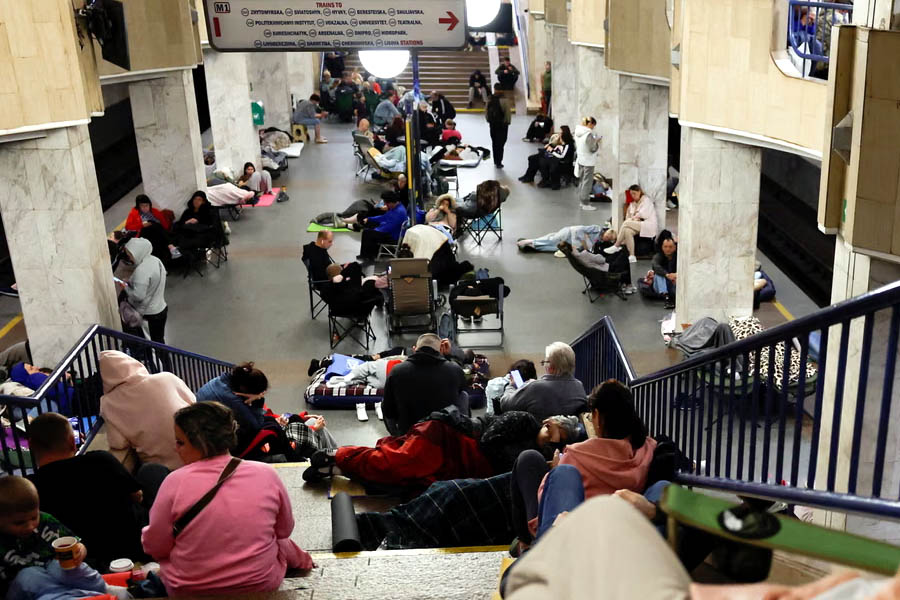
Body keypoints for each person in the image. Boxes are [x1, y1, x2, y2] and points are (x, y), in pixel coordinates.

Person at [142, 402, 314, 596]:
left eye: (180, 442)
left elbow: (155, 546)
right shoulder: (266, 474)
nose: (176, 449)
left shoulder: (172, 482)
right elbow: (284, 529)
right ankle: (308, 564)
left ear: (200, 443)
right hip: (260, 583)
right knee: (277, 540)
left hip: (189, 588)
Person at [509, 380, 656, 549]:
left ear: (597, 416)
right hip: (619, 530)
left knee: (529, 459)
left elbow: (545, 499)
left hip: (569, 533)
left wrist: (556, 471)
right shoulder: (647, 448)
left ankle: (525, 543)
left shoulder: (578, 454)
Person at [303, 409, 581, 491]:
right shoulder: (524, 421)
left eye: (563, 441)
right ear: (550, 422)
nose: (557, 442)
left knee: (403, 478)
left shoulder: (541, 455)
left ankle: (337, 467)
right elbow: (488, 443)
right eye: (559, 434)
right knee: (399, 463)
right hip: (445, 439)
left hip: (455, 463)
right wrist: (528, 461)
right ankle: (337, 455)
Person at [26, 412, 151, 570]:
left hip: (83, 564)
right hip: (137, 548)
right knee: (151, 472)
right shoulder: (101, 460)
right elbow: (137, 495)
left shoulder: (30, 489)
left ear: (30, 445)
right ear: (73, 441)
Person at [0, 476, 117, 600]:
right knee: (29, 576)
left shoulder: (46, 521)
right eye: (19, 523)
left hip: (56, 578)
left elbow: (75, 543)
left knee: (58, 566)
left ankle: (102, 588)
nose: (30, 526)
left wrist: (80, 550)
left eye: (34, 517)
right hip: (25, 590)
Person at [99, 349, 196, 470]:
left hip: (161, 470)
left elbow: (118, 444)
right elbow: (194, 403)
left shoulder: (109, 404)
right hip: (197, 453)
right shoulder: (166, 378)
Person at [382, 333, 469, 435]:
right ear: (441, 350)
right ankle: (462, 436)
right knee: (464, 395)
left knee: (385, 402)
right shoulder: (454, 369)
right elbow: (461, 388)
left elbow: (389, 411)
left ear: (414, 350)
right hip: (444, 436)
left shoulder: (397, 371)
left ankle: (398, 438)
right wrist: (449, 356)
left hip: (411, 436)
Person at [496, 342, 587, 420]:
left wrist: (512, 385)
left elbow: (505, 405)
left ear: (551, 367)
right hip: (571, 437)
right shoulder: (579, 386)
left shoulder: (535, 387)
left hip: (540, 436)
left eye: (544, 362)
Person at [119, 237, 168, 345]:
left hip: (150, 315)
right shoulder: (156, 260)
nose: (129, 257)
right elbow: (153, 281)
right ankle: (165, 361)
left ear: (138, 252)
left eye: (130, 254)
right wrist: (133, 282)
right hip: (161, 308)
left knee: (153, 345)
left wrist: (125, 287)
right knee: (159, 340)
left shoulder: (141, 270)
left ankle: (158, 362)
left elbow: (138, 296)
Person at [604, 185, 658, 264]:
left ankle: (617, 245)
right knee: (627, 230)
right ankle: (632, 256)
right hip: (638, 224)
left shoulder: (646, 200)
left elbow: (644, 215)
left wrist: (634, 218)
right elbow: (628, 217)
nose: (633, 196)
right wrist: (634, 218)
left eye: (634, 193)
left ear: (639, 192)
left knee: (626, 223)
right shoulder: (632, 204)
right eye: (631, 194)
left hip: (648, 225)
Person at [124, 194, 179, 262]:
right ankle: (171, 246)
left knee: (156, 233)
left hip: (157, 232)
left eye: (146, 205)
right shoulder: (134, 213)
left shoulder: (154, 211)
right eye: (142, 206)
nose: (145, 208)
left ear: (149, 205)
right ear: (138, 206)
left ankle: (163, 260)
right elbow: (127, 227)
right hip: (143, 233)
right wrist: (142, 225)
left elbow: (164, 225)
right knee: (152, 224)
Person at [357, 194, 408, 261]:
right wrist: (369, 219)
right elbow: (384, 217)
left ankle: (366, 255)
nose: (386, 205)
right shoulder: (396, 208)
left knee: (367, 233)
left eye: (386, 203)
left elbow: (389, 228)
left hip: (393, 236)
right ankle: (371, 253)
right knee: (370, 225)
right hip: (390, 231)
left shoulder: (399, 212)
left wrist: (376, 229)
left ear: (391, 202)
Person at [171, 191, 218, 256]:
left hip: (203, 236)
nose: (196, 201)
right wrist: (187, 222)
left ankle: (181, 254)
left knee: (186, 241)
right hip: (188, 235)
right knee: (177, 234)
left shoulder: (208, 211)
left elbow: (211, 224)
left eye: (199, 200)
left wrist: (198, 221)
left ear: (203, 202)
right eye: (195, 199)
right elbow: (181, 223)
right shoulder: (188, 211)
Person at [517, 224, 606, 254]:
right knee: (552, 240)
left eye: (611, 239)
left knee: (554, 248)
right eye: (610, 234)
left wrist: (584, 245)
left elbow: (588, 250)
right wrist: (585, 244)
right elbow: (579, 231)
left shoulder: (599, 242)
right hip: (569, 233)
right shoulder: (597, 229)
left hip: (573, 244)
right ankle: (529, 241)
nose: (608, 237)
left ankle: (533, 246)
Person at [573, 117, 601, 211]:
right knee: (587, 182)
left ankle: (582, 200)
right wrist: (596, 142)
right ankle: (585, 202)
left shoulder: (578, 132)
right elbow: (592, 148)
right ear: (590, 124)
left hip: (581, 159)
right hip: (588, 161)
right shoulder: (588, 134)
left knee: (582, 180)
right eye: (593, 125)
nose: (593, 128)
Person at [486, 84, 512, 168]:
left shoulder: (490, 98)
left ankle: (495, 160)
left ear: (494, 89)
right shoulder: (504, 99)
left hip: (492, 124)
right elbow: (507, 113)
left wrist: (489, 121)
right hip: (502, 125)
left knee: (494, 142)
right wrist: (507, 122)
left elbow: (486, 111)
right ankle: (499, 162)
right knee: (501, 143)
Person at [651, 236, 678, 309]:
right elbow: (655, 265)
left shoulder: (679, 257)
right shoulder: (658, 256)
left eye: (670, 247)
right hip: (660, 286)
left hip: (674, 283)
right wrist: (667, 275)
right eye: (665, 247)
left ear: (674, 247)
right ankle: (666, 298)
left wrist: (676, 275)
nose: (668, 249)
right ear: (662, 247)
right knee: (658, 275)